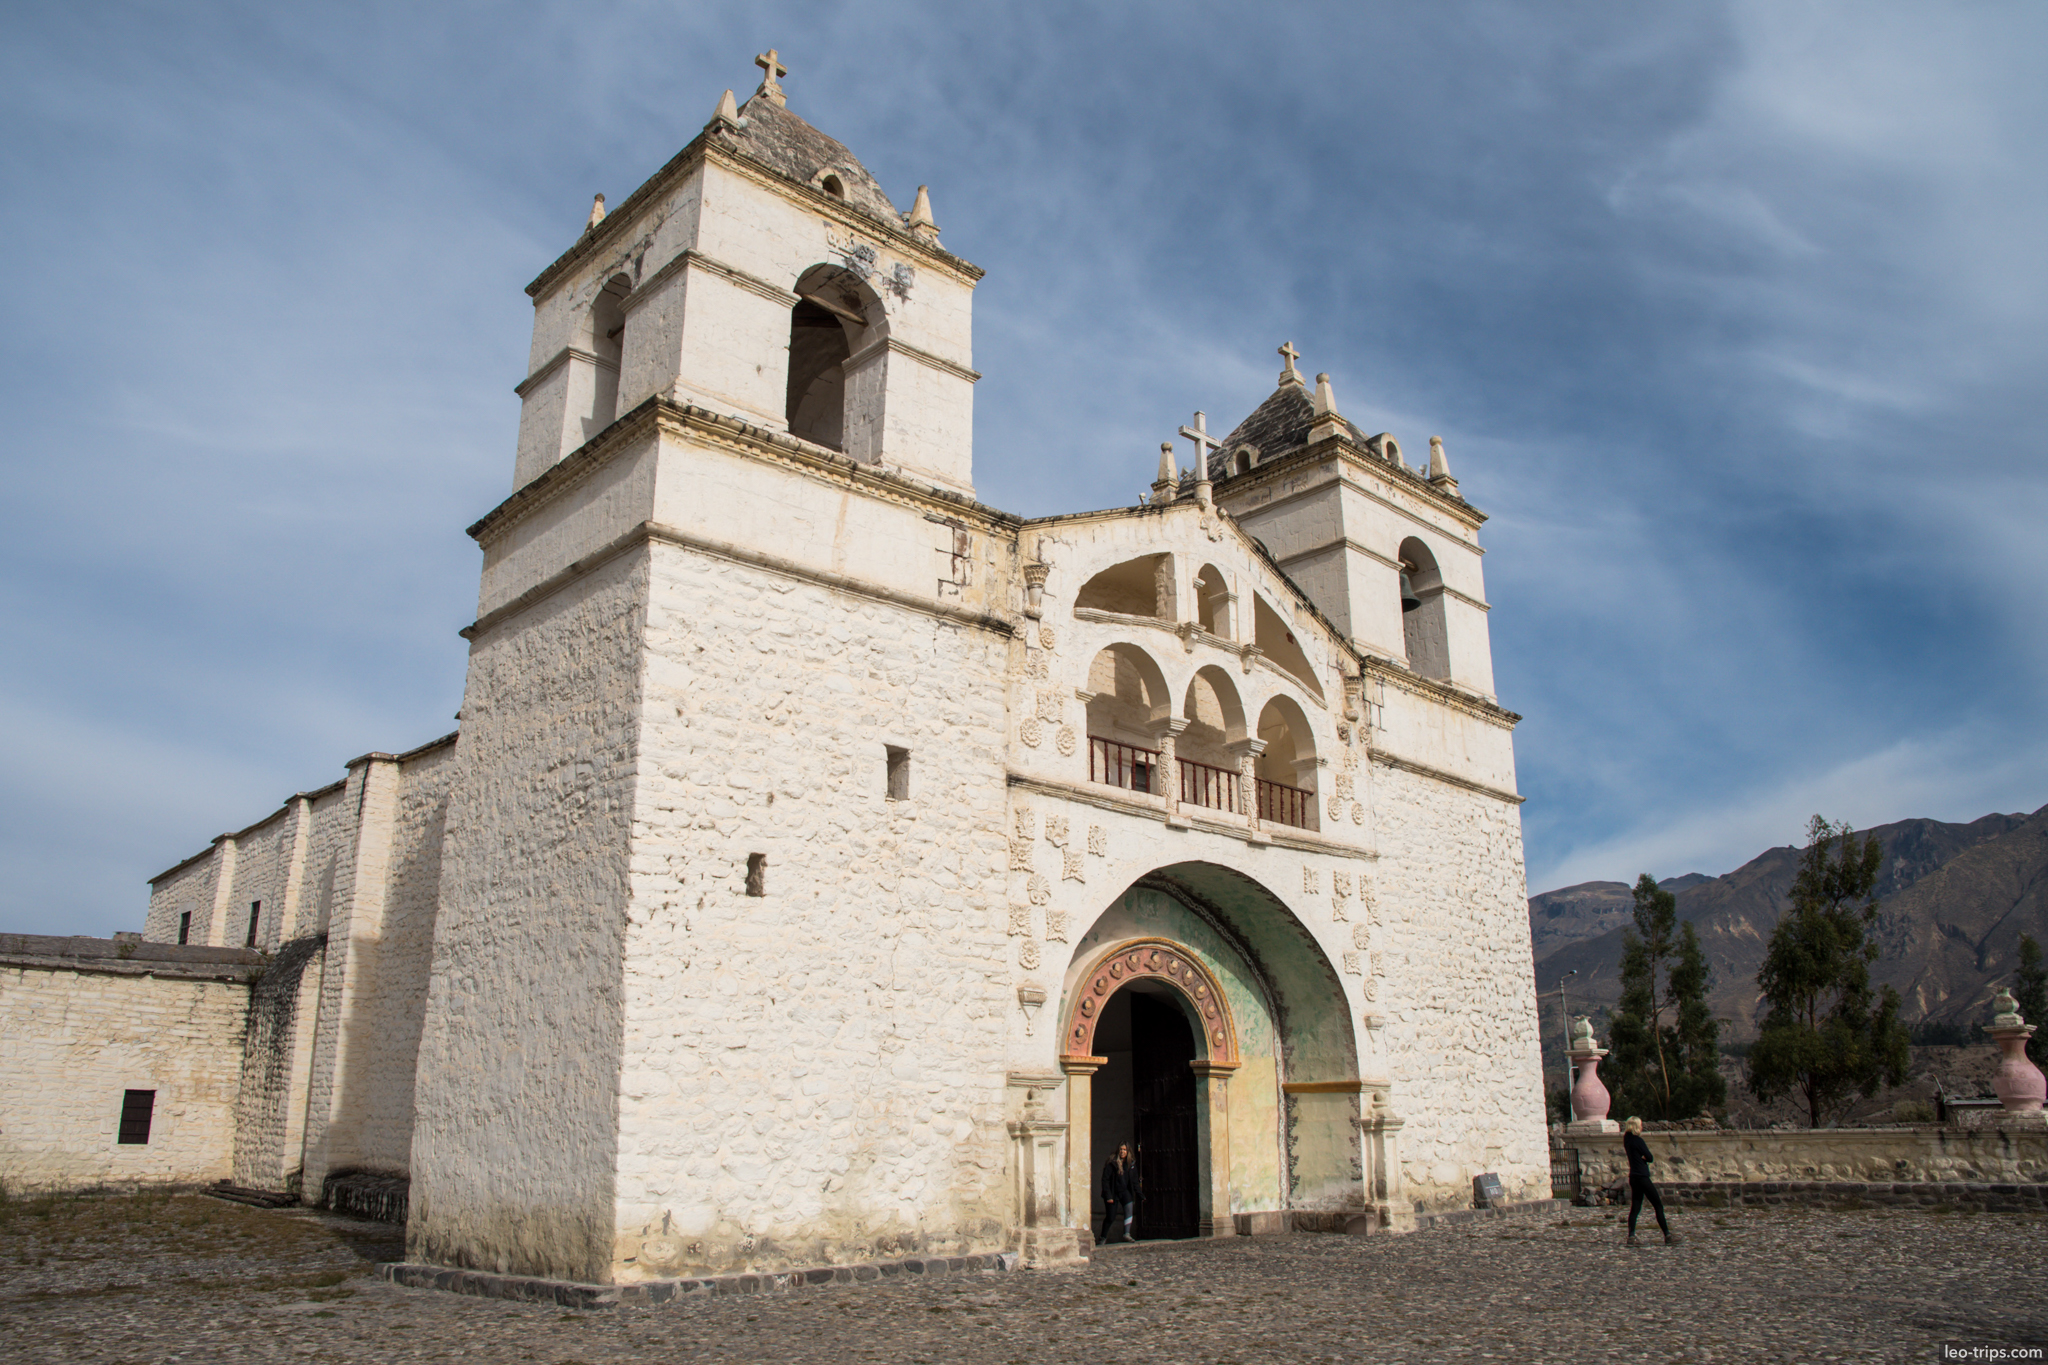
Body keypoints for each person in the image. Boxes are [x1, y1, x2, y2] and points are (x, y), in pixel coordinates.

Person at [1621, 1116, 1675, 1246]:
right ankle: (1667, 1235)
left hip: (1633, 1176)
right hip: (1643, 1176)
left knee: (1635, 1208)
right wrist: (1644, 1160)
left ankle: (1631, 1236)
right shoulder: (1638, 1141)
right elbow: (1650, 1157)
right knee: (1658, 1205)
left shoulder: (1627, 1140)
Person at [1099, 1143, 1139, 1244]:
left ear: (1128, 1151)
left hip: (1124, 1191)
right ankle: (1103, 1237)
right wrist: (1108, 1196)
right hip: (1113, 1193)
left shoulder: (1131, 1164)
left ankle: (1126, 1234)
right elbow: (1105, 1180)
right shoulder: (1112, 1163)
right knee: (1111, 1217)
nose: (1122, 1152)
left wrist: (1140, 1195)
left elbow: (1134, 1181)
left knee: (1129, 1209)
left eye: (1125, 1150)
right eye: (1121, 1149)